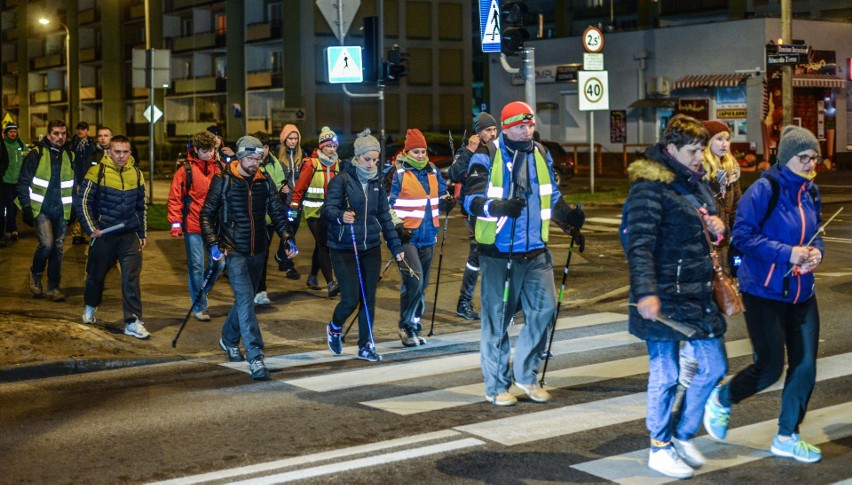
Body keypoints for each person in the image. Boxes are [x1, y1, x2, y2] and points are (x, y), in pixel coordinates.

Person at [704, 125, 826, 464]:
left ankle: (787, 436)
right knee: (770, 367)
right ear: (787, 157)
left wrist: (816, 253)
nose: (810, 163)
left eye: (814, 157)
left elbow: (816, 234)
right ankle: (723, 398)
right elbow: (742, 237)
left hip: (802, 293)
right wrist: (787, 253)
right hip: (763, 292)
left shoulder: (811, 192)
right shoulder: (764, 189)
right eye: (804, 157)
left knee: (804, 367)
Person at [623, 114, 728, 479]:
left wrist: (717, 228)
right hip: (665, 296)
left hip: (697, 295)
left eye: (702, 149)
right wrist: (646, 292)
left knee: (715, 367)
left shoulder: (695, 183)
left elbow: (709, 231)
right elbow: (638, 243)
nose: (700, 157)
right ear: (671, 149)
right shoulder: (649, 187)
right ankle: (659, 446)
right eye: (693, 150)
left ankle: (682, 434)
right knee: (666, 374)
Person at [463, 101, 585, 407]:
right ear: (507, 128)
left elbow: (551, 197)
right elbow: (470, 200)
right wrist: (498, 207)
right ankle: (496, 386)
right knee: (498, 323)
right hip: (499, 253)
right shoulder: (487, 154)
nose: (527, 130)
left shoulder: (541, 154)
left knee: (545, 312)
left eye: (530, 125)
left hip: (536, 253)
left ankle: (526, 377)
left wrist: (569, 218)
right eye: (521, 126)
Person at [201, 135, 298, 381]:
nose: (256, 163)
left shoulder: (263, 182)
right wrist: (213, 244)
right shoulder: (223, 181)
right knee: (245, 298)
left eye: (259, 158)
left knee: (246, 300)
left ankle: (229, 339)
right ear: (241, 156)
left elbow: (277, 212)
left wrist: (287, 237)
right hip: (234, 250)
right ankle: (255, 356)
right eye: (251, 158)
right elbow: (206, 215)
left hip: (259, 250)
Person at [674, 120, 743, 409]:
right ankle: (690, 363)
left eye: (727, 138)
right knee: (702, 310)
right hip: (700, 252)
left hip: (723, 252)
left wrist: (739, 248)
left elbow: (738, 212)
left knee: (715, 309)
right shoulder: (699, 175)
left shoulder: (732, 173)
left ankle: (701, 364)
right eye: (718, 138)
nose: (724, 143)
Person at [323, 130, 406, 362]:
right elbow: (327, 210)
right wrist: (341, 216)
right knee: (350, 299)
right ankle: (334, 327)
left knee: (368, 298)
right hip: (344, 247)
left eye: (375, 160)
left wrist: (395, 245)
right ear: (357, 157)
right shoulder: (342, 180)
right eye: (368, 159)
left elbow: (384, 216)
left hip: (370, 247)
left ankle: (366, 345)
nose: (372, 164)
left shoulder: (377, 182)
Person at [75, 135, 149, 339]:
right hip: (104, 235)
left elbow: (141, 206)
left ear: (130, 153)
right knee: (95, 276)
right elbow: (83, 203)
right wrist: (92, 228)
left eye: (126, 152)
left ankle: (133, 321)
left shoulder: (136, 173)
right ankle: (90, 306)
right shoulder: (96, 172)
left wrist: (142, 233)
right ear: (109, 152)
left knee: (131, 279)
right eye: (118, 151)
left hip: (129, 235)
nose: (122, 156)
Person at [388, 128, 453, 347]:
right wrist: (397, 227)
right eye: (416, 151)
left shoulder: (432, 170)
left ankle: (414, 324)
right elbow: (386, 205)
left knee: (421, 284)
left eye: (423, 151)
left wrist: (446, 200)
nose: (420, 155)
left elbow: (440, 193)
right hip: (406, 237)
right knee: (414, 281)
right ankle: (406, 326)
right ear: (407, 152)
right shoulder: (397, 173)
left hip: (428, 235)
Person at [167, 130, 225, 322]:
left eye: (211, 150)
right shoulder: (186, 170)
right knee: (197, 266)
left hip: (214, 226)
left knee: (220, 262)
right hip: (193, 225)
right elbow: (175, 198)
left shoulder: (221, 168)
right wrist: (176, 224)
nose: (208, 154)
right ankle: (200, 306)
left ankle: (201, 292)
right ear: (196, 150)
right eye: (204, 150)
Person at [447, 112, 498, 320]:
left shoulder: (497, 150)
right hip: (473, 210)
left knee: (496, 253)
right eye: (488, 130)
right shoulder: (468, 150)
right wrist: (469, 150)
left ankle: (496, 301)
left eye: (495, 129)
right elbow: (454, 174)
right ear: (478, 133)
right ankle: (464, 301)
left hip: (495, 209)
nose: (493, 134)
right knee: (477, 253)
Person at [16, 119, 75, 302]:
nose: (60, 137)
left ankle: (53, 288)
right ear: (48, 135)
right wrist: (26, 207)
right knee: (47, 244)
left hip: (61, 210)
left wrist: (73, 209)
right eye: (56, 133)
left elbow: (73, 185)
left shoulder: (69, 156)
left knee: (58, 249)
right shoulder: (36, 154)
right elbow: (23, 182)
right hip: (40, 209)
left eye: (63, 133)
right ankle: (36, 272)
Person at [289, 126, 340, 297]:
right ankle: (331, 283)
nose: (332, 149)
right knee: (324, 244)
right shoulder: (311, 164)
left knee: (321, 244)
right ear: (321, 147)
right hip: (314, 213)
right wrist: (293, 211)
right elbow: (299, 189)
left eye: (334, 146)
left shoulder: (337, 164)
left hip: (330, 213)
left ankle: (312, 276)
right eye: (328, 146)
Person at [252, 130, 293, 304]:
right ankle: (251, 289)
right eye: (260, 148)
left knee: (263, 255)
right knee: (251, 257)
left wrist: (283, 192)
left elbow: (279, 189)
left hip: (268, 219)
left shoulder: (275, 163)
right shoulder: (250, 164)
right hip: (253, 219)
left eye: (266, 147)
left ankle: (260, 290)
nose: (263, 151)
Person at [275, 123, 304, 279]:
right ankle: (288, 264)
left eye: (295, 138)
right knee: (287, 231)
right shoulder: (277, 157)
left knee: (291, 231)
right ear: (284, 139)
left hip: (296, 201)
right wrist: (280, 189)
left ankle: (281, 256)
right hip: (283, 201)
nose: (293, 141)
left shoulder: (302, 156)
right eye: (290, 138)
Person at [70, 121, 96, 245]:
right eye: (78, 128)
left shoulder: (92, 145)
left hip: (88, 180)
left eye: (83, 129)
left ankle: (85, 232)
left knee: (87, 206)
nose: (80, 131)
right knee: (77, 207)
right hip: (76, 180)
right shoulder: (72, 144)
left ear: (87, 131)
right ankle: (76, 234)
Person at [0, 123, 27, 246]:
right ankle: (12, 230)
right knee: (9, 205)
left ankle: (11, 228)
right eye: (10, 132)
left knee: (15, 206)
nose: (13, 134)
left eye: (15, 132)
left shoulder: (21, 145)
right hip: (6, 181)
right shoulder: (3, 144)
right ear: (6, 133)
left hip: (18, 181)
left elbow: (27, 159)